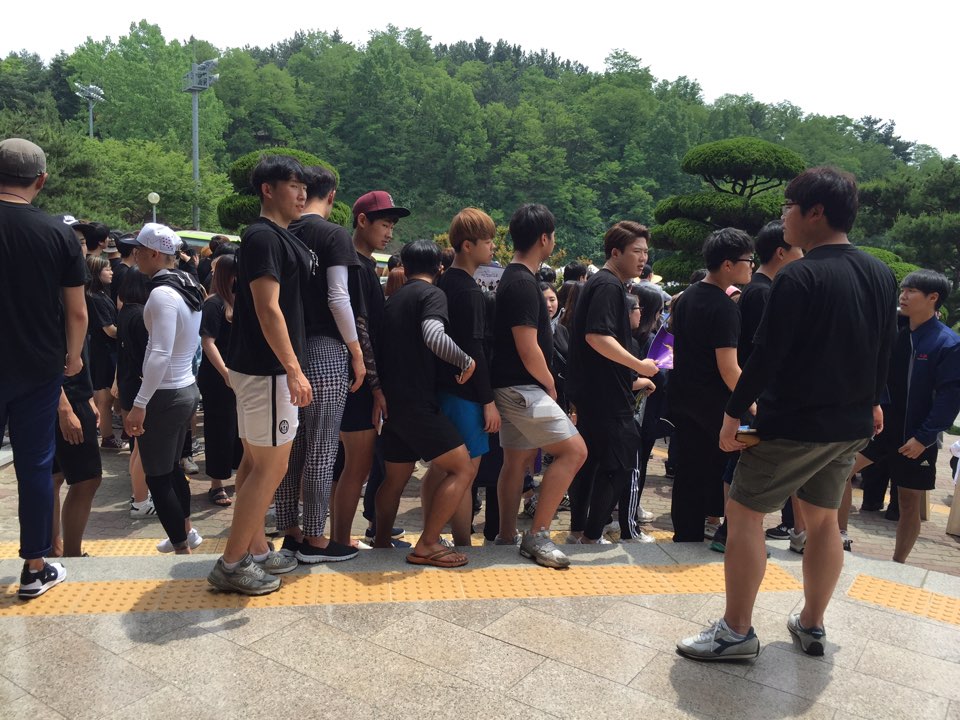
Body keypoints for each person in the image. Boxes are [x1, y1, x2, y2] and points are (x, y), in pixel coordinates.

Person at [678, 167, 897, 661]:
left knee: (743, 513)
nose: (784, 216)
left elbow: (766, 356)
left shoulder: (800, 274)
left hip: (795, 422)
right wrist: (875, 400)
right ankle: (812, 623)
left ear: (814, 212)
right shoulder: (880, 273)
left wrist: (734, 412)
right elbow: (885, 346)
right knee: (822, 521)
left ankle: (736, 631)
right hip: (850, 425)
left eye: (788, 206)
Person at [208, 155, 314, 595]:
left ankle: (253, 551)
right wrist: (293, 368)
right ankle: (232, 563)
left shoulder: (274, 236)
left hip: (260, 370)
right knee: (272, 467)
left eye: (305, 186)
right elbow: (268, 308)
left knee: (255, 464)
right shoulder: (263, 236)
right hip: (268, 371)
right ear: (268, 190)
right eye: (293, 185)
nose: (302, 193)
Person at [0, 138, 87, 598]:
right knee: (35, 465)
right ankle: (35, 568)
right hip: (38, 366)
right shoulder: (57, 234)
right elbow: (77, 311)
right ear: (41, 180)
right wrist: (73, 356)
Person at [491, 203, 587, 567]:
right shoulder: (521, 283)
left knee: (515, 462)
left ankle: (506, 535)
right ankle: (538, 535)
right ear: (544, 239)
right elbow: (527, 346)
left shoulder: (515, 278)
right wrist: (549, 383)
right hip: (523, 388)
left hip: (512, 386)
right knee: (575, 451)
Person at [844, 270, 960, 564]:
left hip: (915, 437)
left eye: (912, 291)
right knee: (840, 473)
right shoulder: (895, 332)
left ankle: (899, 564)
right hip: (880, 429)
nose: (903, 296)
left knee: (908, 502)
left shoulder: (947, 343)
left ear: (933, 298)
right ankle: (838, 537)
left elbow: (949, 398)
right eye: (903, 290)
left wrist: (924, 437)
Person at [374, 240, 477, 565]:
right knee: (462, 468)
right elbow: (433, 335)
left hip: (392, 404)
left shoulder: (393, 299)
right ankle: (428, 543)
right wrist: (465, 361)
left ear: (404, 266)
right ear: (440, 268)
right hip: (418, 402)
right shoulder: (432, 294)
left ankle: (381, 541)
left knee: (395, 479)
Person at [280, 166, 364, 562]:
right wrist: (356, 352)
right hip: (326, 348)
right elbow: (338, 297)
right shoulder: (333, 235)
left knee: (291, 446)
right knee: (322, 445)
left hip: (287, 350)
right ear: (331, 196)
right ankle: (316, 539)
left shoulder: (283, 231)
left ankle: (291, 531)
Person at [566, 221, 658, 544]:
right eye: (637, 251)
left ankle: (580, 531)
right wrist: (639, 365)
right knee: (620, 459)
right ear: (615, 252)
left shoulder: (605, 283)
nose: (643, 258)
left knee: (590, 462)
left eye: (645, 252)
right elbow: (597, 337)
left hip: (595, 391)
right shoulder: (607, 285)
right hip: (605, 394)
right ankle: (591, 534)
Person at [121, 224, 204, 555]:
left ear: (154, 253)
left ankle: (181, 546)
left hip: (164, 393)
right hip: (185, 387)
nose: (135, 256)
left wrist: (139, 403)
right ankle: (185, 533)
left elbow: (159, 354)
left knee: (157, 476)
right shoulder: (188, 284)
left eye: (138, 251)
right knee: (170, 470)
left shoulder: (161, 294)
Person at [667, 227, 754, 543]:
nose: (752, 266)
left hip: (684, 398)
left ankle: (686, 535)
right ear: (728, 264)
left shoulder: (687, 297)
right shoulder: (724, 306)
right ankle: (730, 534)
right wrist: (753, 403)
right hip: (715, 404)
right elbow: (729, 368)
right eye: (748, 260)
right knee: (738, 466)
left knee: (690, 469)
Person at [334, 191, 406, 546]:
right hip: (358, 380)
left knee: (345, 466)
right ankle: (340, 540)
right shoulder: (357, 267)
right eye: (384, 224)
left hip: (352, 377)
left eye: (392, 226)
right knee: (358, 465)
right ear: (362, 221)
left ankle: (337, 537)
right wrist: (376, 387)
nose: (389, 233)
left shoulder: (358, 265)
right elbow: (362, 331)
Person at [430, 208, 501, 546]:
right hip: (467, 394)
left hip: (443, 390)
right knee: (465, 472)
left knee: (443, 469)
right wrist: (488, 401)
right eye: (488, 242)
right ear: (468, 245)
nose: (493, 248)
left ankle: (436, 535)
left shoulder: (445, 282)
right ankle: (460, 542)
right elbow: (475, 351)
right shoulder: (471, 292)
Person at [735, 220, 805, 547]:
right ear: (781, 252)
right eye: (798, 249)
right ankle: (737, 534)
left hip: (751, 393)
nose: (803, 256)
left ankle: (734, 531)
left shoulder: (757, 288)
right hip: (758, 397)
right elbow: (763, 355)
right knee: (754, 472)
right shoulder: (764, 293)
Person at [196, 253, 241, 507]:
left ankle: (238, 476)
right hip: (217, 378)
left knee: (237, 429)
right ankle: (216, 484)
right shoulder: (213, 304)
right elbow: (207, 342)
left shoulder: (238, 300)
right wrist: (225, 373)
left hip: (237, 376)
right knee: (219, 430)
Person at [114, 270, 154, 517]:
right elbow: (145, 357)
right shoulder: (140, 315)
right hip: (140, 386)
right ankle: (140, 500)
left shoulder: (126, 312)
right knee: (143, 447)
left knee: (137, 445)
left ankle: (138, 496)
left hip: (129, 384)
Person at [84, 254, 122, 449]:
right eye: (107, 269)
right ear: (96, 273)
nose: (111, 272)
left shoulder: (100, 294)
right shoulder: (95, 298)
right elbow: (110, 330)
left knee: (105, 396)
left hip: (104, 350)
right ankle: (108, 437)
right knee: (105, 397)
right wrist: (129, 331)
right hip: (104, 351)